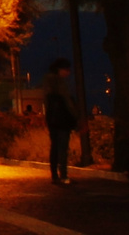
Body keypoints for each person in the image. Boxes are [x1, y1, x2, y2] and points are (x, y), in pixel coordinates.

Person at [44, 57, 78, 185]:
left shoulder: (48, 82)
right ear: (60, 69)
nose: (68, 72)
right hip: (62, 119)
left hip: (52, 119)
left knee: (55, 147)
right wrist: (75, 116)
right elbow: (68, 102)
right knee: (62, 147)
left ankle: (54, 175)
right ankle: (63, 175)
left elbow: (46, 101)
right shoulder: (61, 83)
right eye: (66, 70)